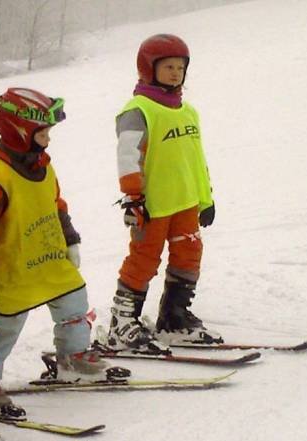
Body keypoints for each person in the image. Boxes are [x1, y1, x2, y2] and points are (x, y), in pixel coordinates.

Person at [0, 88, 112, 407]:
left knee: (74, 303)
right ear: (19, 132)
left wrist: (70, 238)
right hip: (11, 271)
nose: (49, 138)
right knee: (3, 329)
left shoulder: (45, 167)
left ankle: (73, 357)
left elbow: (56, 205)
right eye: (43, 132)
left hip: (50, 261)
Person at [103, 33, 217, 351]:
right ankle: (122, 322)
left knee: (189, 255)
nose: (175, 73)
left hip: (185, 204)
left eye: (180, 67)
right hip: (152, 205)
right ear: (148, 68)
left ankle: (174, 317)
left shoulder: (188, 112)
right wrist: (133, 198)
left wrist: (205, 199)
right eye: (167, 66)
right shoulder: (138, 110)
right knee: (144, 259)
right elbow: (128, 157)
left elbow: (195, 158)